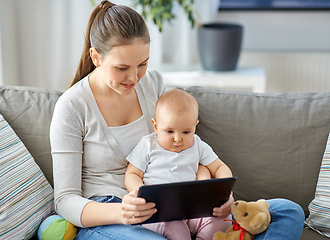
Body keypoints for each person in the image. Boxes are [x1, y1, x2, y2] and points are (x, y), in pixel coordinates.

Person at [50, 1, 305, 240]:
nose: (134, 77)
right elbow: (65, 199)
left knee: (287, 211)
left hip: (174, 206)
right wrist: (122, 213)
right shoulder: (72, 107)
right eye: (121, 68)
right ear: (96, 57)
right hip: (110, 216)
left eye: (142, 64)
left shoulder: (153, 85)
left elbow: (190, 149)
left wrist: (217, 192)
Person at [125, 89, 233, 240]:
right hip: (161, 212)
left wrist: (224, 191)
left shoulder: (197, 145)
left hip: (193, 210)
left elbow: (220, 167)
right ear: (155, 126)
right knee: (176, 230)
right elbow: (132, 174)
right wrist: (140, 194)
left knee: (223, 221)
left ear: (195, 126)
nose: (178, 139)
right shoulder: (148, 145)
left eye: (186, 132)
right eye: (169, 131)